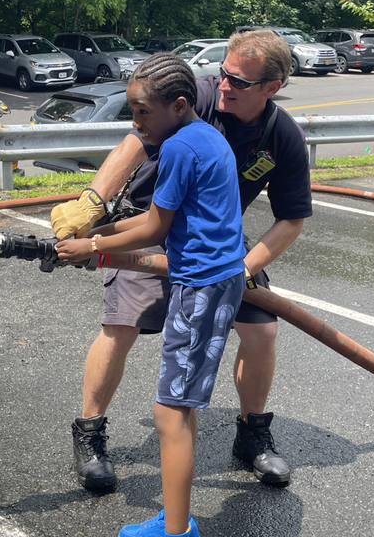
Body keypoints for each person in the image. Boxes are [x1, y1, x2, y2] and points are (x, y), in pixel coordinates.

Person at [51, 29, 312, 490]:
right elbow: (134, 141)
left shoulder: (281, 136)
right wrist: (94, 201)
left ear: (271, 88)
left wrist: (245, 267)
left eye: (240, 81)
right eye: (225, 72)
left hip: (216, 243)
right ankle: (90, 433)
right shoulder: (194, 96)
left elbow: (290, 220)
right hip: (146, 222)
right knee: (121, 324)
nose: (225, 85)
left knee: (262, 328)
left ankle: (252, 435)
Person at [56, 54, 246, 537]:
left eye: (141, 112)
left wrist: (91, 243)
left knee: (172, 412)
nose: (134, 122)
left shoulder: (182, 147)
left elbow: (155, 226)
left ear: (178, 105)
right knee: (175, 406)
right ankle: (172, 522)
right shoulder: (201, 135)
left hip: (204, 287)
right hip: (209, 280)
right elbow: (152, 221)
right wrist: (98, 229)